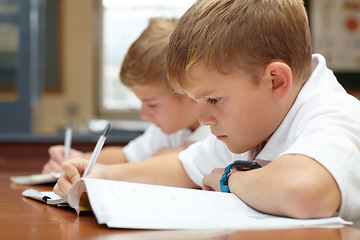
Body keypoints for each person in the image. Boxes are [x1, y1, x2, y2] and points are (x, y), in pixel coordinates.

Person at [53, 0, 360, 225]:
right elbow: (187, 166)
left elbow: (303, 192)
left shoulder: (336, 116)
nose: (202, 119)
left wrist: (230, 177)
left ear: (276, 81)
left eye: (213, 100)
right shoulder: (258, 123)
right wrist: (103, 175)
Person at [41, 17, 210, 174]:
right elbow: (126, 157)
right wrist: (79, 160)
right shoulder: (169, 129)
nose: (144, 114)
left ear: (190, 94)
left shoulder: (220, 134)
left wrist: (166, 160)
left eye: (152, 104)